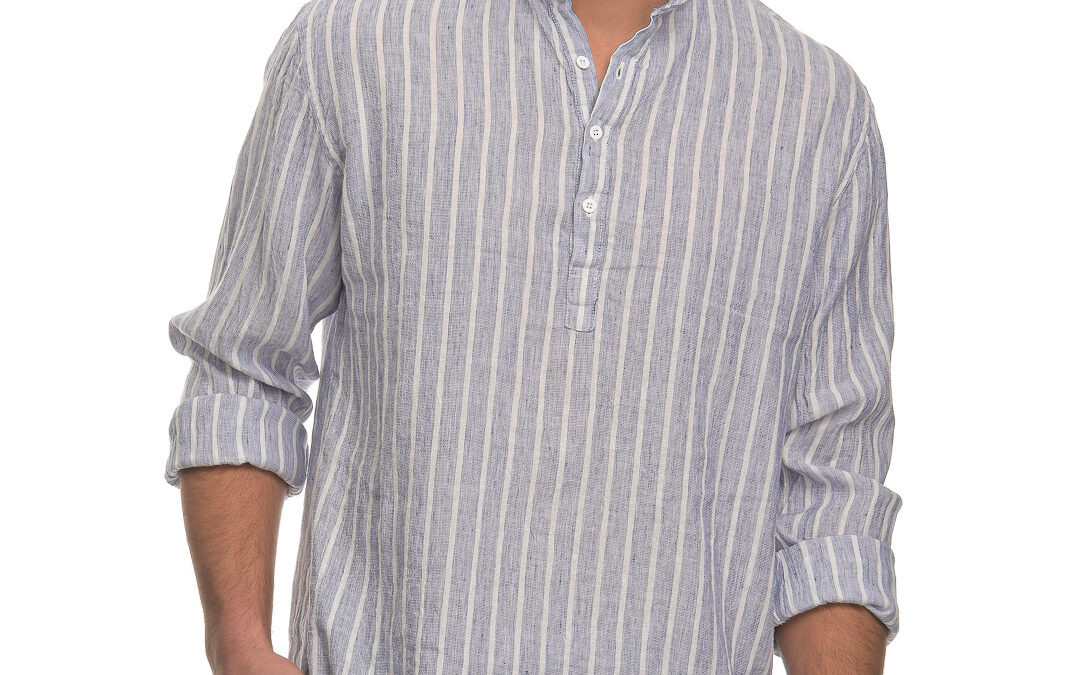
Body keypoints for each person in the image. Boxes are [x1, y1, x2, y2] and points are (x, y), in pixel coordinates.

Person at [164, 0, 903, 673]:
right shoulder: (356, 38)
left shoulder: (818, 109)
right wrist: (239, 643)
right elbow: (245, 366)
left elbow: (831, 501)